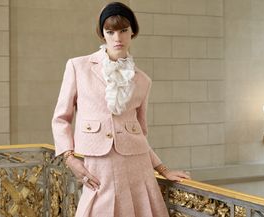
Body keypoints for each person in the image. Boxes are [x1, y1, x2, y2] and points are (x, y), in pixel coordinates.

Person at [52, 2, 190, 217]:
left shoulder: (142, 80)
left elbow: (140, 134)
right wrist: (69, 158)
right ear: (102, 34)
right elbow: (60, 118)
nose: (117, 38)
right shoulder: (78, 67)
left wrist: (164, 170)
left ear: (132, 32)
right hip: (100, 163)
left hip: (138, 166)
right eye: (110, 32)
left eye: (123, 30)